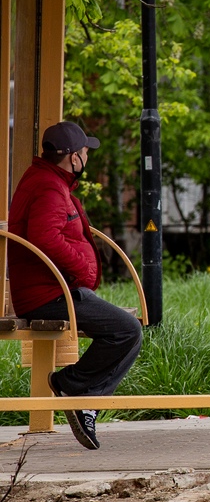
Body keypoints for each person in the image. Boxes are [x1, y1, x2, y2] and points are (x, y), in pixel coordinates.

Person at [9, 122, 143, 450]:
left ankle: (80, 395)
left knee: (127, 329)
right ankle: (74, 388)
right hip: (49, 295)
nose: (87, 156)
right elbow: (44, 237)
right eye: (85, 151)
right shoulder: (49, 187)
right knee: (127, 330)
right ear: (72, 158)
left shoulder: (47, 181)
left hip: (52, 289)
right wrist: (82, 268)